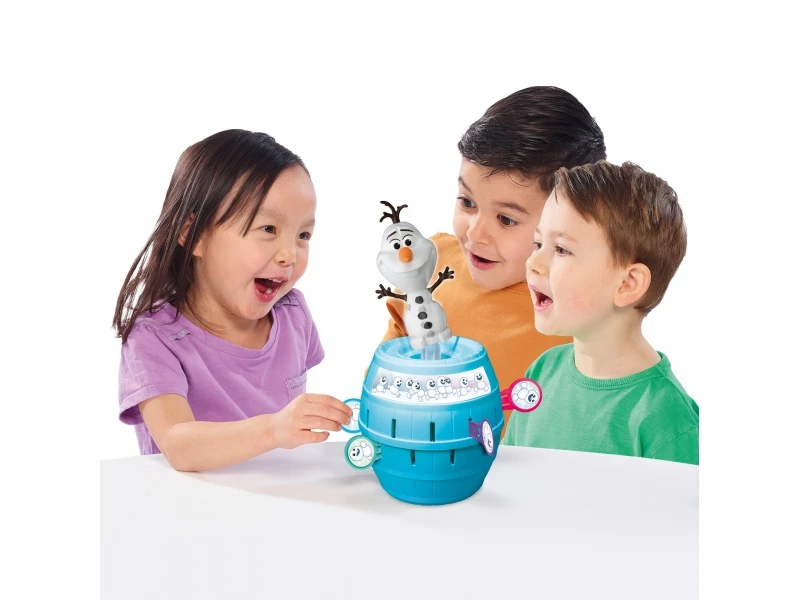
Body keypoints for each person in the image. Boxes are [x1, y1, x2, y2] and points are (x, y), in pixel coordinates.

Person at [113, 129, 352, 471]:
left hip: (275, 498)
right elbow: (179, 445)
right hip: (186, 504)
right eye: (268, 229)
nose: (289, 254)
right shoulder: (154, 339)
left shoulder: (293, 314)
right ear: (193, 234)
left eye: (303, 235)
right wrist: (273, 430)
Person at [378, 86, 606, 437]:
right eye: (467, 202)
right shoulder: (429, 265)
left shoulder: (580, 318)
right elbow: (383, 379)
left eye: (506, 219)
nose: (475, 233)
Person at [503, 161, 699, 465]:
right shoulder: (542, 371)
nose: (532, 263)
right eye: (538, 243)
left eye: (561, 250)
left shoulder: (667, 421)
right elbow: (510, 475)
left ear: (627, 284)